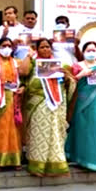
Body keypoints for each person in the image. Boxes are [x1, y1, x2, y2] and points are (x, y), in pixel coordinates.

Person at [22, 38, 76, 177]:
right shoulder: (33, 64)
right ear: (37, 49)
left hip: (57, 105)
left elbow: (71, 83)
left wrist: (66, 78)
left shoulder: (60, 65)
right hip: (38, 104)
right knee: (39, 134)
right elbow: (23, 74)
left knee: (55, 134)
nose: (45, 49)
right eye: (42, 47)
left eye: (47, 47)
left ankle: (56, 166)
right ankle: (37, 166)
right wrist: (29, 55)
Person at [0, 37, 30, 171]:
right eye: (3, 46)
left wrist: (24, 88)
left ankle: (16, 160)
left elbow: (26, 77)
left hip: (16, 100)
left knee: (15, 130)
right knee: (0, 130)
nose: (7, 48)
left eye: (9, 45)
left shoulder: (17, 62)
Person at [65, 41, 96, 172]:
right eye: (88, 50)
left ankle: (92, 160)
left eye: (94, 50)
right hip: (80, 102)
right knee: (82, 129)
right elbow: (69, 82)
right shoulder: (76, 66)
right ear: (83, 51)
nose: (91, 53)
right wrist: (81, 75)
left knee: (95, 130)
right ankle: (79, 157)